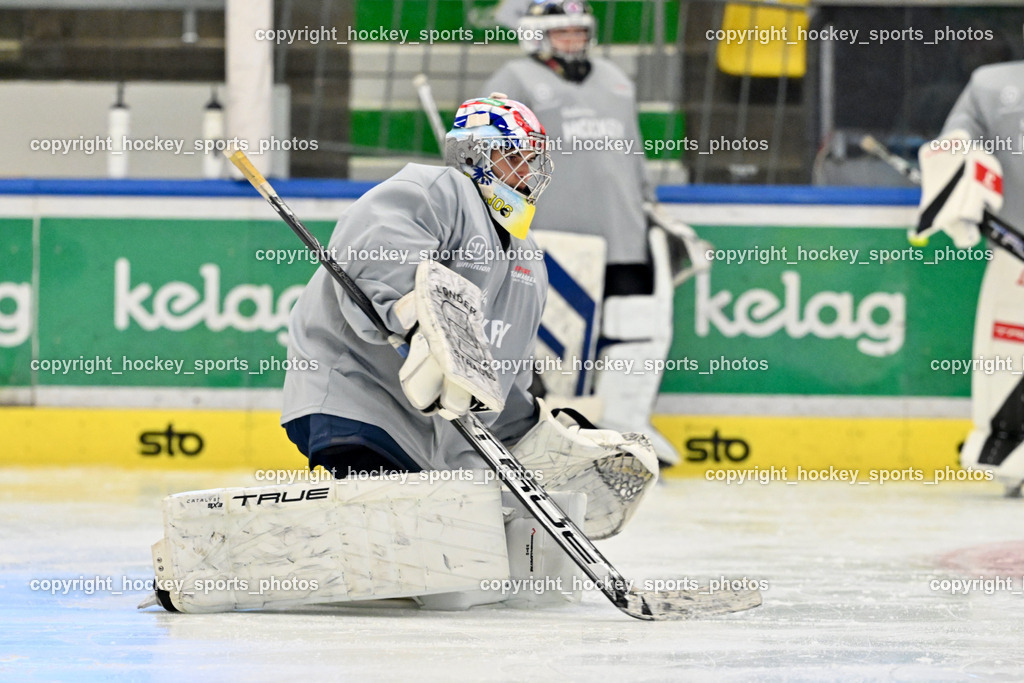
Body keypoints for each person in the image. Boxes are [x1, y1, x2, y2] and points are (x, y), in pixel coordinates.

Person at [483, 0, 700, 468]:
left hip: (622, 230)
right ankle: (550, 434)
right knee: (551, 341)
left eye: (579, 31)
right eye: (563, 32)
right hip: (552, 238)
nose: (574, 40)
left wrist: (651, 209)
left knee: (634, 328)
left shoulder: (615, 77)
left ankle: (627, 426)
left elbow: (633, 152)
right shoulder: (513, 80)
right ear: (534, 33)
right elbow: (494, 157)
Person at [915, 59, 1024, 495]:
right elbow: (954, 142)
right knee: (1009, 356)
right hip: (1015, 254)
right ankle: (1012, 451)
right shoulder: (991, 84)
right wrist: (957, 170)